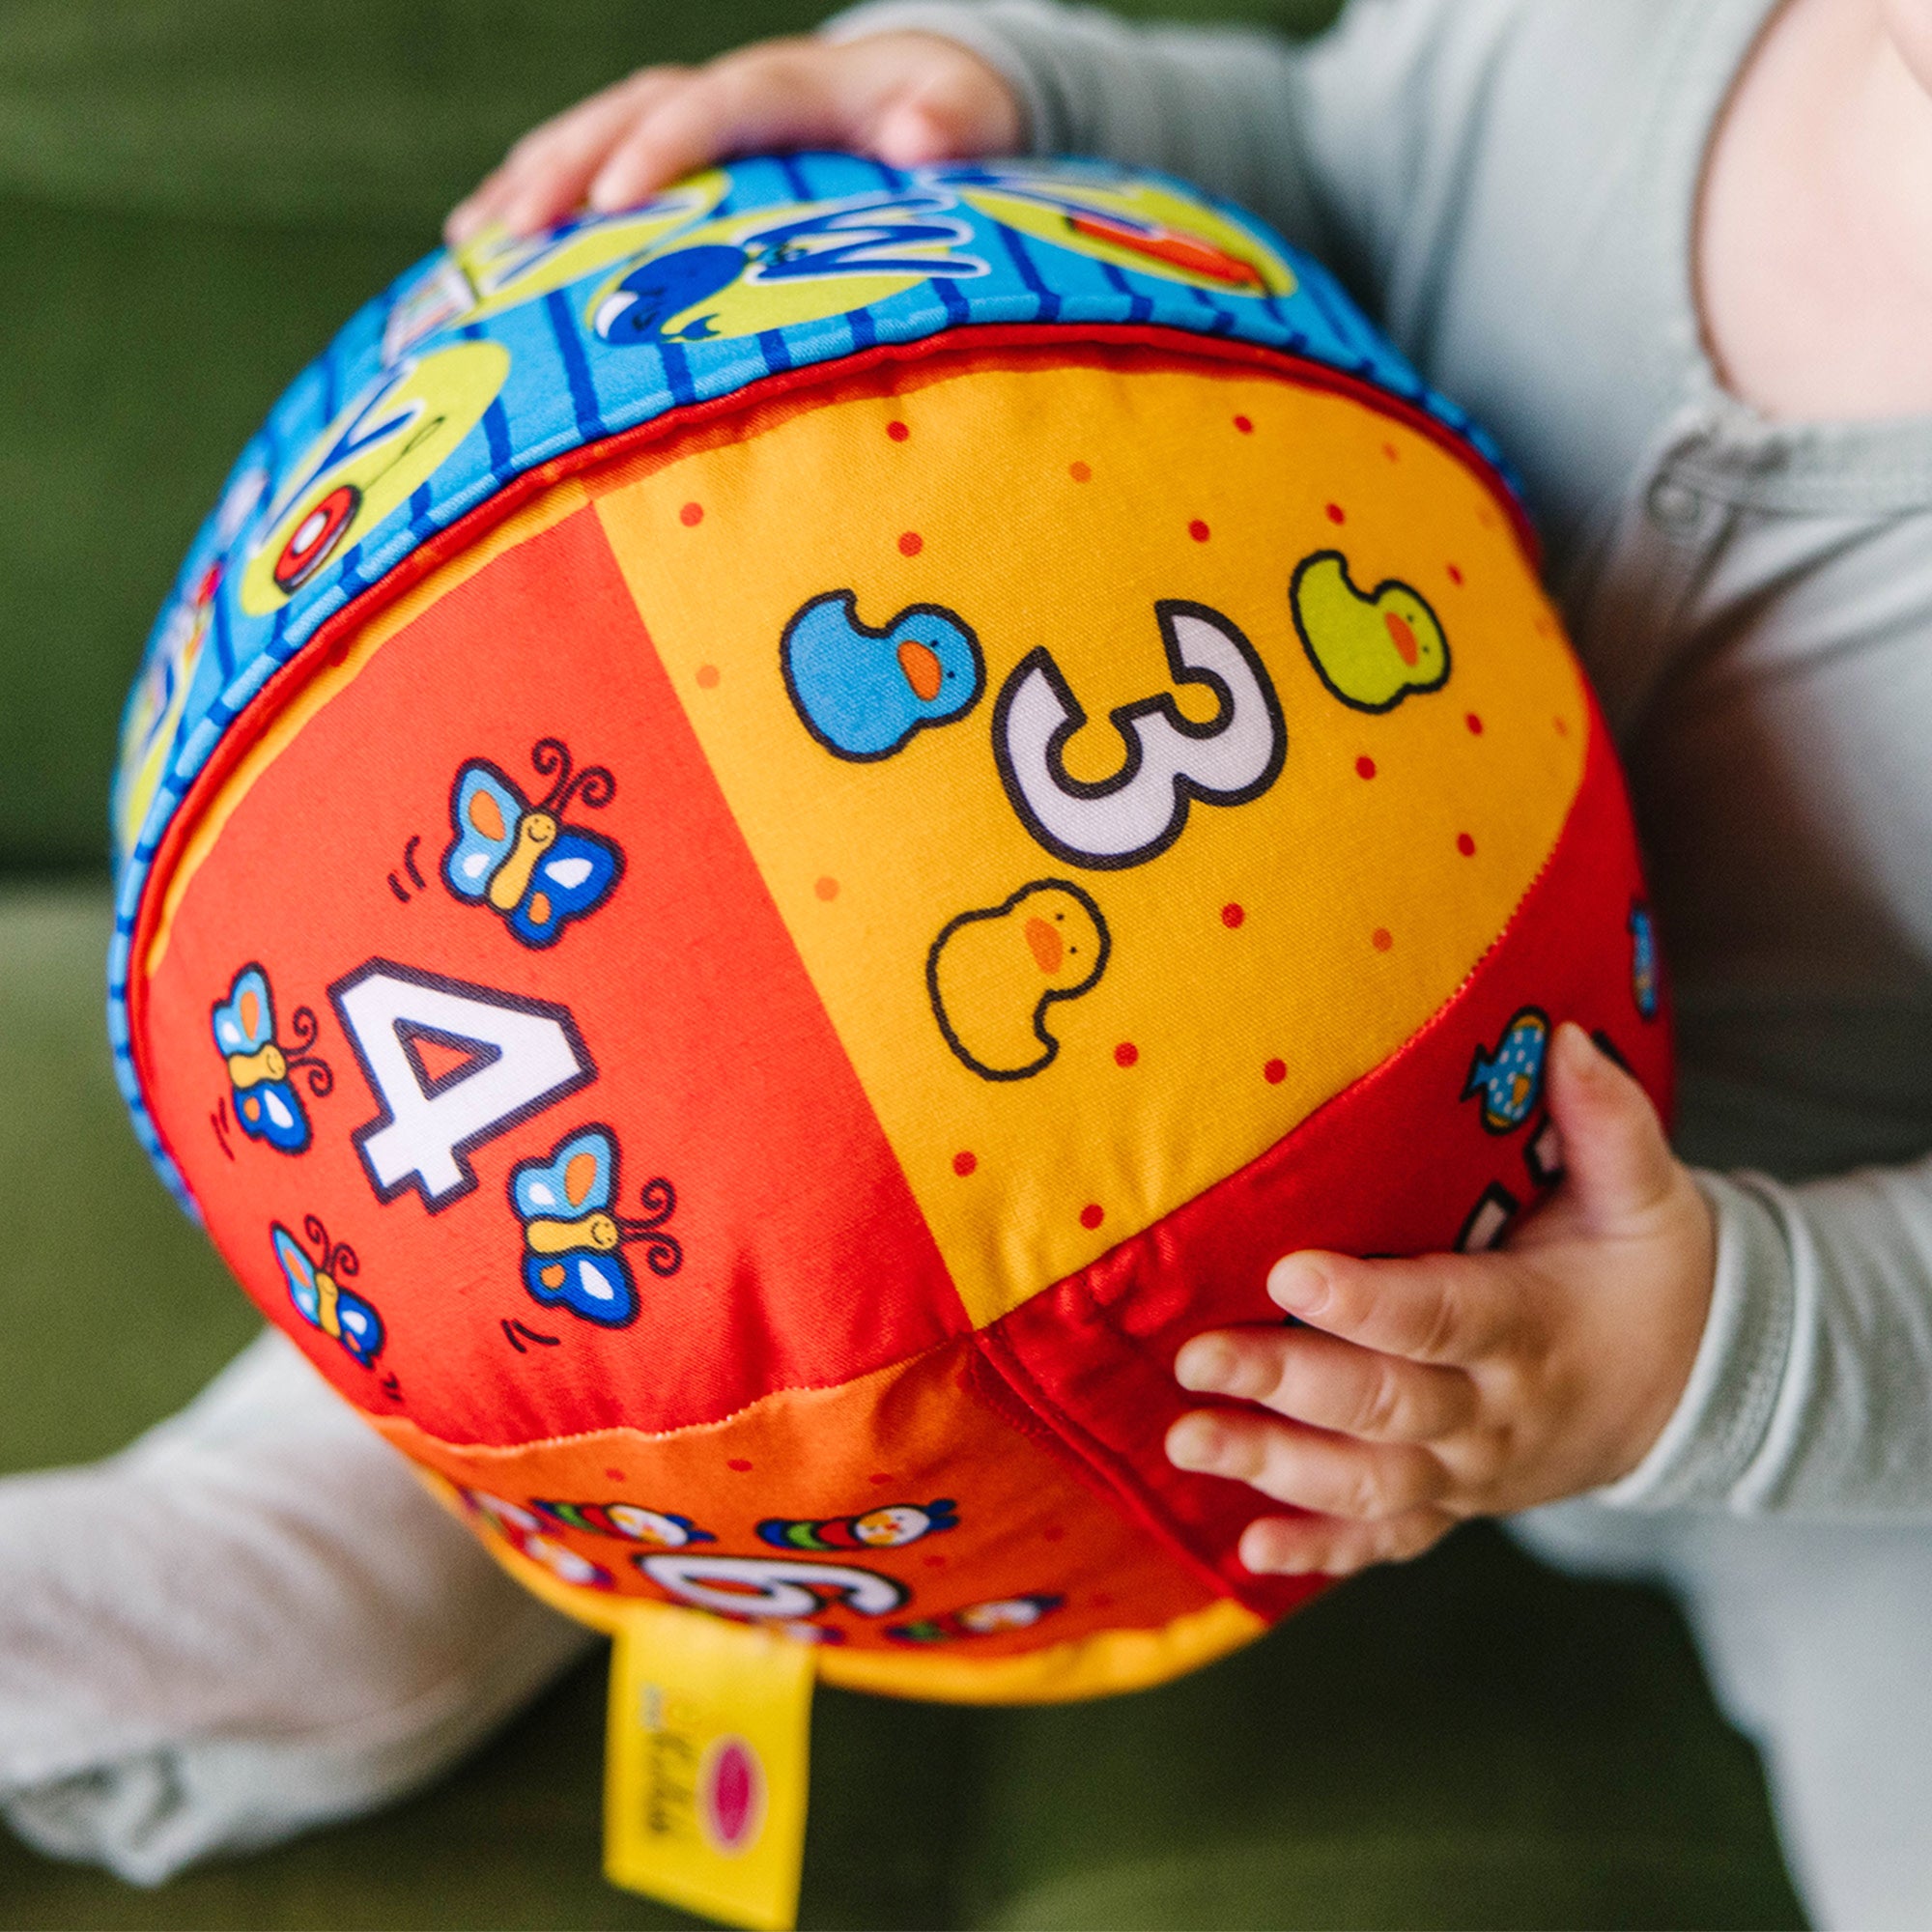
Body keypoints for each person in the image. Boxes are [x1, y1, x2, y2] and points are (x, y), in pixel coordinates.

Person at [8, 0, 1932, 1921]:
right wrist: (988, 93)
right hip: (1043, 1041)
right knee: (634, 1192)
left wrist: (1709, 1361)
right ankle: (307, 1557)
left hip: (1757, 1307)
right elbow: (1343, 150)